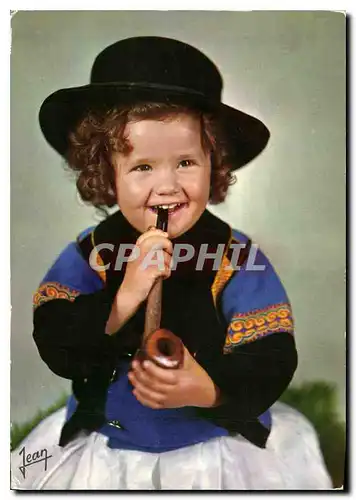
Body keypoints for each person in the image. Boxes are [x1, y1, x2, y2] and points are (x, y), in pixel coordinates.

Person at [11, 36, 332, 490]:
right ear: (107, 175)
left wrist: (209, 389)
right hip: (108, 447)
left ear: (213, 166)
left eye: (185, 162)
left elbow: (271, 352)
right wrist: (125, 297)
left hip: (215, 448)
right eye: (142, 167)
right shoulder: (90, 253)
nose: (167, 186)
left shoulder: (237, 258)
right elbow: (54, 334)